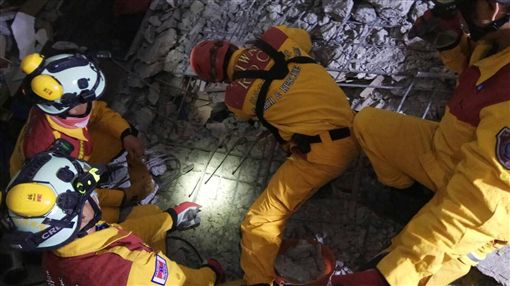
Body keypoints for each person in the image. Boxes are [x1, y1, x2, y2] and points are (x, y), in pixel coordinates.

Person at [334, 0, 510, 285]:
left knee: (398, 269)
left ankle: (455, 249)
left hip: (483, 211)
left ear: (493, 8)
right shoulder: (500, 39)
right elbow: (480, 75)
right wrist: (450, 42)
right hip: (449, 151)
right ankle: (409, 198)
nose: (458, 7)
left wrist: (388, 275)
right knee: (367, 124)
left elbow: (480, 204)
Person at [189, 25, 359, 285]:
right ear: (229, 43)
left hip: (326, 155)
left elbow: (245, 111)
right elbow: (305, 40)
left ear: (217, 79)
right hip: (356, 125)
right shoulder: (276, 36)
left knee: (257, 222)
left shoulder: (236, 98)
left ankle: (259, 281)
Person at [0, 151, 224, 285]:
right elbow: (180, 281)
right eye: (88, 193)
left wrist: (170, 218)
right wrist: (210, 274)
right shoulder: (133, 270)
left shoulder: (55, 248)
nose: (96, 193)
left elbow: (113, 235)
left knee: (147, 213)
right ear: (74, 217)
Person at [9, 52, 156, 223]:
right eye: (87, 101)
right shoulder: (50, 153)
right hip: (50, 194)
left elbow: (98, 112)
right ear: (69, 105)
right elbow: (73, 193)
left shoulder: (55, 107)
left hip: (73, 154)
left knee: (113, 137)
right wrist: (123, 197)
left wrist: (126, 135)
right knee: (96, 217)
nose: (91, 103)